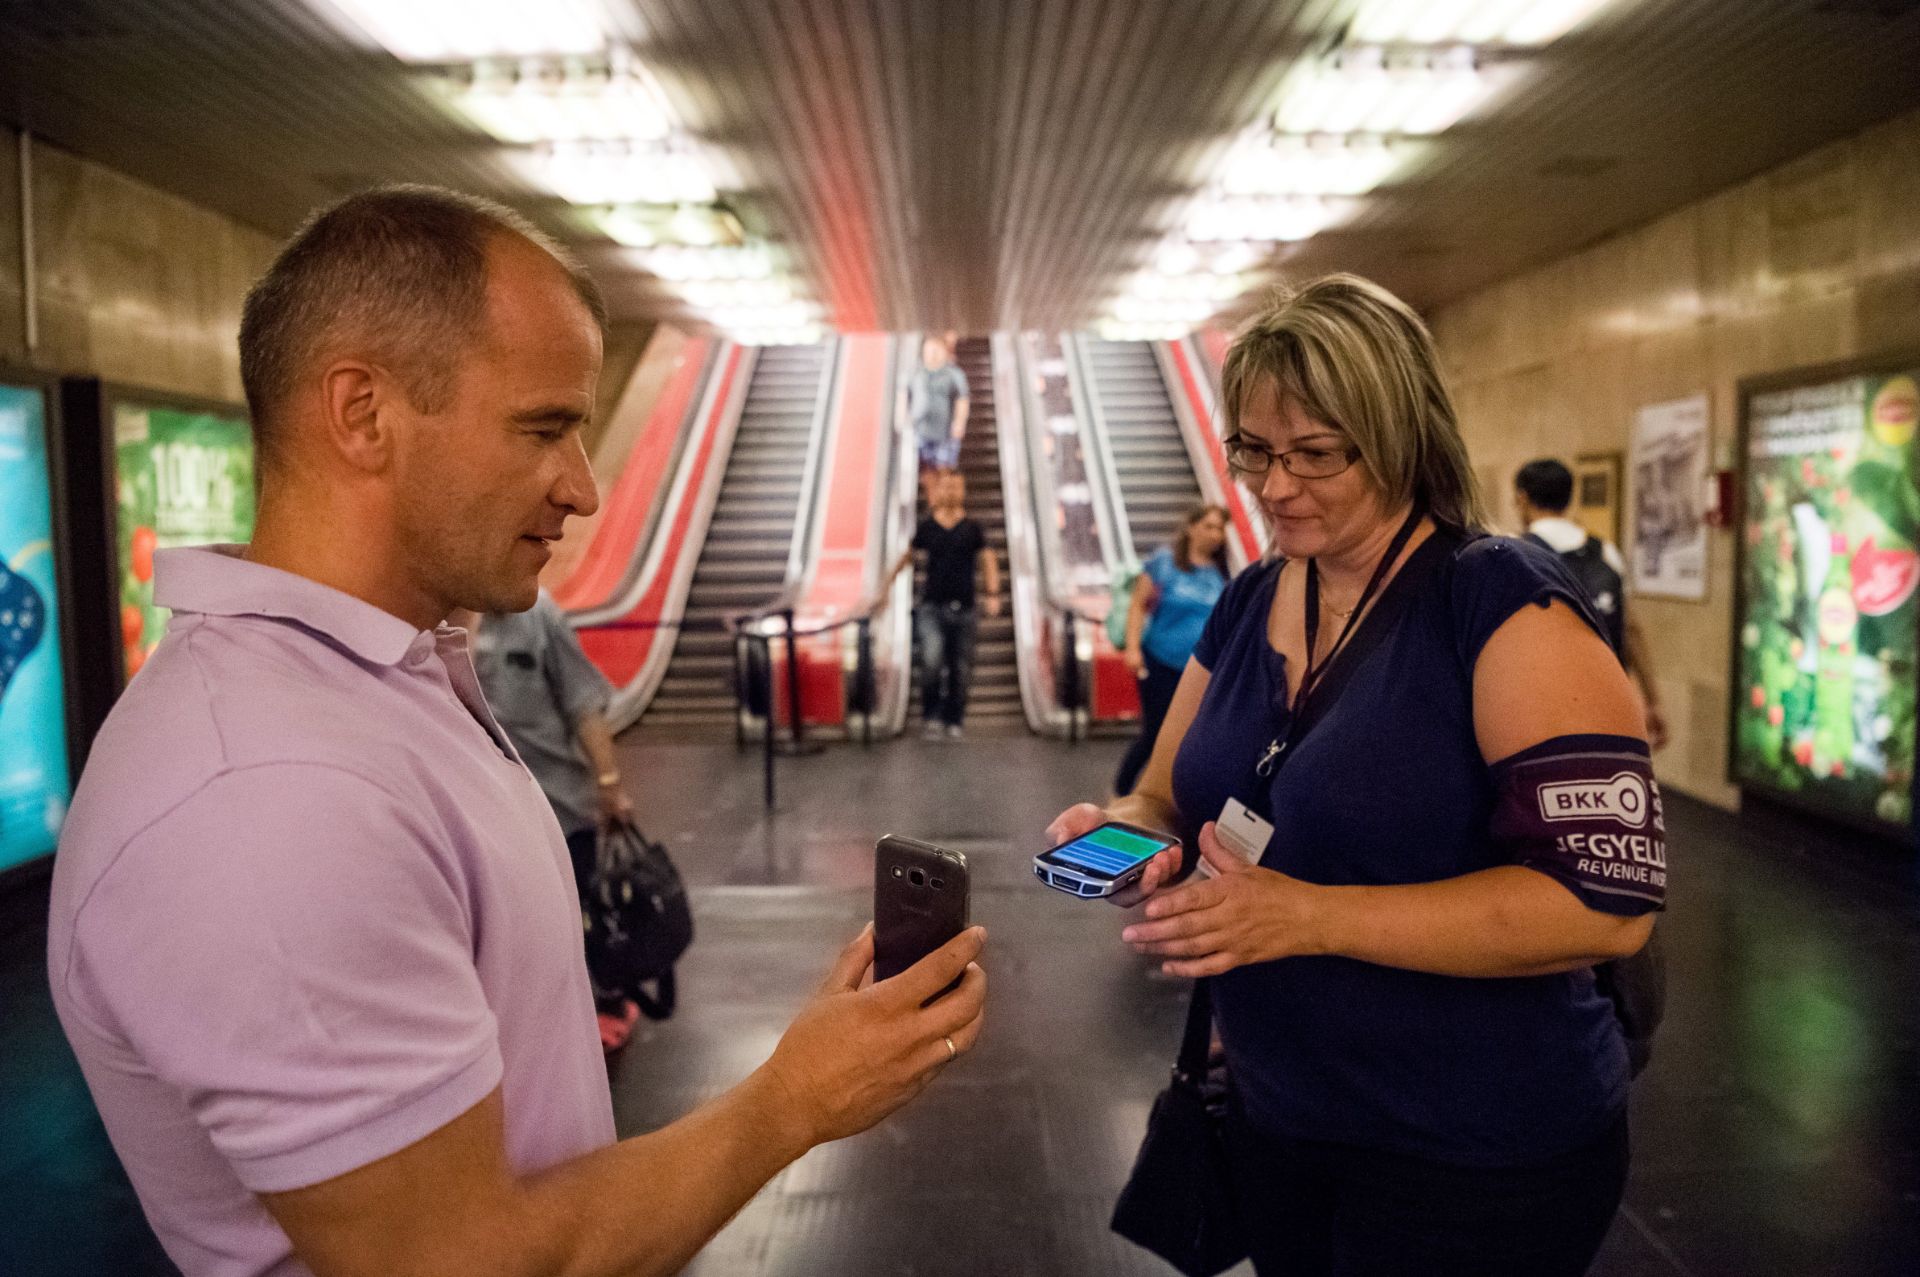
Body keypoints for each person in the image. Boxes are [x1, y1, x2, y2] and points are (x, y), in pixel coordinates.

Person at [47, 185, 986, 1277]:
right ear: (362, 413)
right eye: (543, 428)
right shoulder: (265, 795)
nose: (583, 488)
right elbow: (463, 1261)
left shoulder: (381, 680)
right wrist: (790, 1101)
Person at [1047, 274, 1663, 1275]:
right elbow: (1161, 793)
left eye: (1316, 453)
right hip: (1280, 1118)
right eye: (1253, 450)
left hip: (1477, 1149)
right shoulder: (1251, 599)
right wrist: (1129, 837)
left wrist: (1307, 915)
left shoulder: (1500, 601)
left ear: (1400, 438)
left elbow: (1603, 907)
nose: (1274, 485)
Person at [457, 592, 645, 1051]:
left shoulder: (537, 616)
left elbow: (584, 705)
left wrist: (609, 782)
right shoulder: (435, 621)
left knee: (579, 914)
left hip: (558, 807)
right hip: (482, 814)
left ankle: (608, 1001)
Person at [1514, 458, 1670, 749]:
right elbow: (1630, 629)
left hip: (1542, 714)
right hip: (1606, 704)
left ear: (1522, 499)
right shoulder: (1605, 552)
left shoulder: (1515, 555)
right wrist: (1653, 701)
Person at [1114, 504, 1231, 796]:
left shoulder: (1222, 571)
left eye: (1220, 529)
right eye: (1209, 526)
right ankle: (1121, 792)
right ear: (1191, 528)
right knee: (1155, 733)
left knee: (1189, 738)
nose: (1215, 534)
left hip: (1200, 670)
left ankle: (1164, 796)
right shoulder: (1164, 562)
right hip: (1160, 661)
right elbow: (1138, 606)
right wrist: (1132, 648)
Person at [877, 470, 1001, 739]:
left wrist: (992, 593)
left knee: (961, 666)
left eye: (956, 487)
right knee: (931, 659)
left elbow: (988, 559)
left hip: (965, 608)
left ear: (963, 491)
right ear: (939, 491)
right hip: (931, 607)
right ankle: (931, 716)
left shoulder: (973, 528)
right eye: (947, 487)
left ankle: (954, 719)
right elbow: (907, 557)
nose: (951, 492)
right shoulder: (927, 527)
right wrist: (886, 587)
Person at [904, 335, 970, 489]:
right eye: (929, 349)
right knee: (926, 471)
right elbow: (904, 396)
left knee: (944, 470)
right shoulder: (915, 373)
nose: (933, 354)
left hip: (945, 434)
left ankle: (946, 498)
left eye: (937, 349)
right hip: (920, 432)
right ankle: (933, 498)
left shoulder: (954, 374)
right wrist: (904, 420)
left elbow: (962, 399)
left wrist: (959, 423)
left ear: (944, 351)